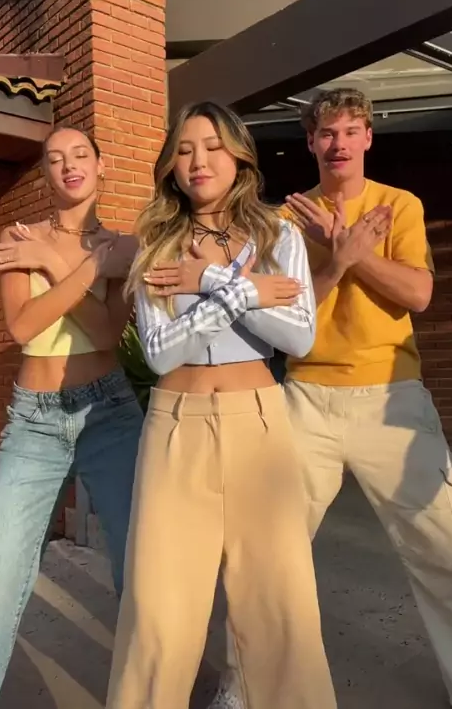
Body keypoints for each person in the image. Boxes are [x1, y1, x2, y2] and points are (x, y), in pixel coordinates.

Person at [105, 101, 337, 709]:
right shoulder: (158, 241)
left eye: (211, 146)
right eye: (183, 150)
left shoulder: (279, 234)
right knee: (159, 608)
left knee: (278, 603)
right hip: (175, 430)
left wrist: (212, 282)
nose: (198, 160)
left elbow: (299, 337)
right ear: (170, 167)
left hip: (258, 423)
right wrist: (242, 294)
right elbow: (160, 352)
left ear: (239, 156)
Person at [282, 87, 452, 707]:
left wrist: (351, 251)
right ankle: (248, 685)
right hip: (306, 398)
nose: (339, 143)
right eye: (327, 132)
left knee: (444, 551)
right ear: (310, 142)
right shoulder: (287, 219)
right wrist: (338, 254)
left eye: (351, 130)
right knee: (270, 553)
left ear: (369, 138)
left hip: (391, 396)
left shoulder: (399, 205)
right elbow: (286, 315)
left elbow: (418, 295)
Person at [0, 127, 143, 709]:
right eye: (54, 159)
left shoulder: (126, 246)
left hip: (110, 412)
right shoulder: (16, 237)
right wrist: (83, 268)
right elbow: (23, 326)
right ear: (45, 173)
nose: (68, 165)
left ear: (101, 164)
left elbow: (107, 333)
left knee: (142, 568)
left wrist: (50, 262)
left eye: (80, 155)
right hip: (34, 421)